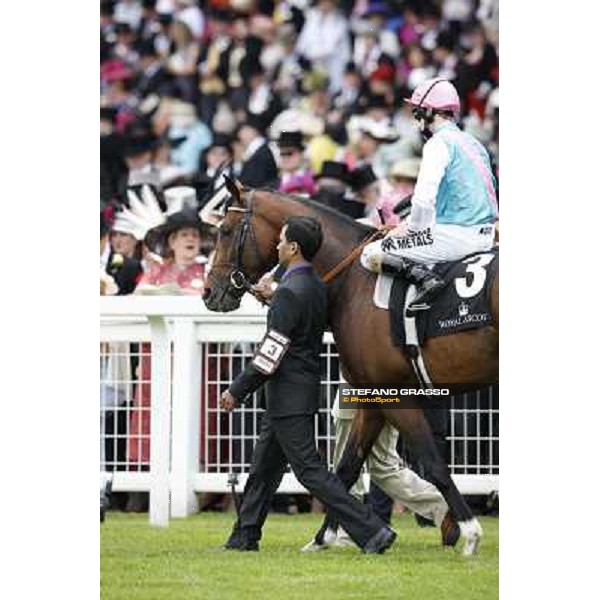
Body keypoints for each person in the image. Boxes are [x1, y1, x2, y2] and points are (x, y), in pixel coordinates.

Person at [220, 216, 396, 554]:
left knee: (310, 472)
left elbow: (271, 352)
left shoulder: (289, 291)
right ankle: (244, 536)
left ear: (294, 247)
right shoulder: (313, 283)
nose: (276, 245)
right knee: (263, 469)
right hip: (298, 391)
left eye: (281, 240)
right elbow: (296, 319)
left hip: (287, 394)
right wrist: (274, 298)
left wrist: (236, 390)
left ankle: (372, 530)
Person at [360, 77, 498, 310]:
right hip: (487, 234)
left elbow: (423, 201)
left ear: (429, 112)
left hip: (457, 237)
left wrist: (409, 231)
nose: (417, 121)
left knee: (370, 253)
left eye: (417, 113)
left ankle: (426, 280)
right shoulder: (474, 142)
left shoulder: (437, 144)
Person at [276, 131, 316, 196]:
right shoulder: (273, 183)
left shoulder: (313, 180)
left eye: (290, 153)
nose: (285, 158)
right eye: (282, 154)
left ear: (301, 154)